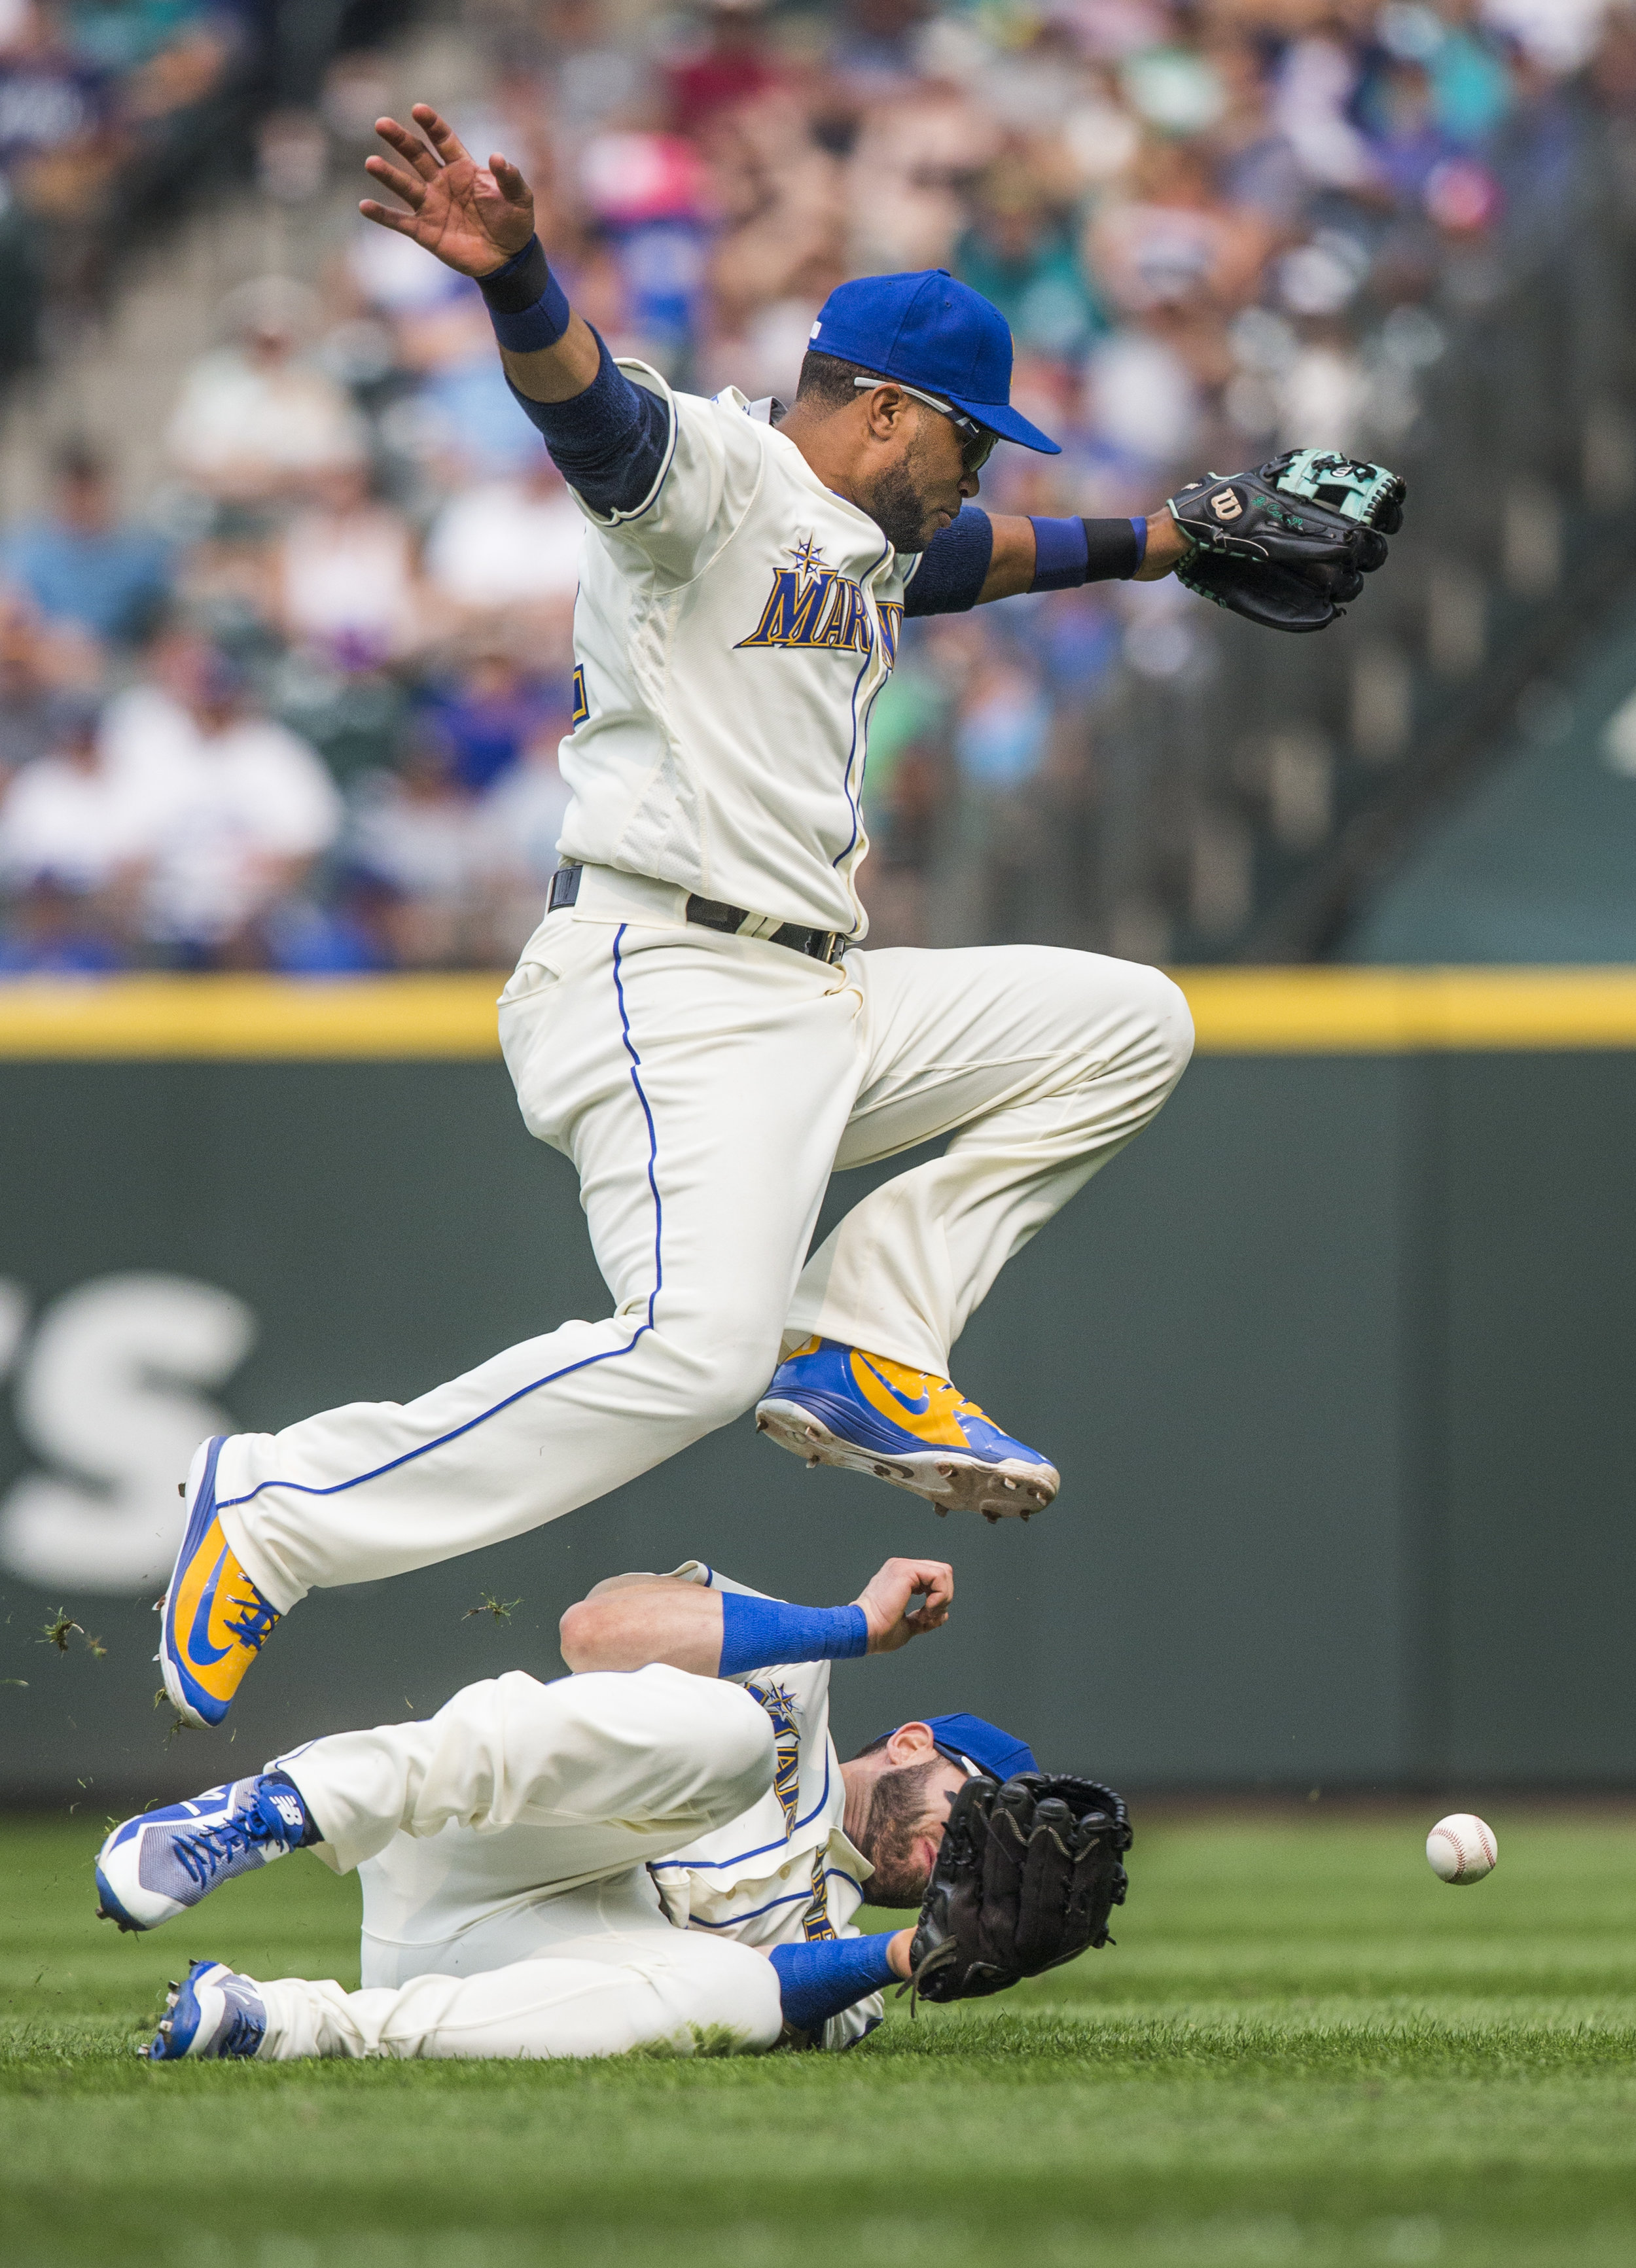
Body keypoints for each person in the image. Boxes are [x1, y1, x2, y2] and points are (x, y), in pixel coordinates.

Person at [156, 103, 1201, 1734]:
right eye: (966, 436)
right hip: (668, 973)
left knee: (1129, 1022)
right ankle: (277, 1507)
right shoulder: (718, 477)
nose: (978, 466)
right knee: (686, 1355)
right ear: (882, 412)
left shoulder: (856, 539)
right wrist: (518, 284)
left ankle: (861, 1330)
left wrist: (1167, 544)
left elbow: (963, 560)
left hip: (809, 995)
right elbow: (599, 430)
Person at [100, 1553, 1071, 2062]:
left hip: (491, 1959)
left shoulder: (849, 1952)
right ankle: (278, 1805)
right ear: (910, 1744)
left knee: (743, 1994)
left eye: (984, 1866)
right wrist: (852, 1627)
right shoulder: (795, 1676)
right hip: (459, 1840)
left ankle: (283, 2023)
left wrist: (913, 1954)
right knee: (736, 1741)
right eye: (973, 1814)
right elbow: (594, 1632)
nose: (967, 1856)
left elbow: (775, 2000)